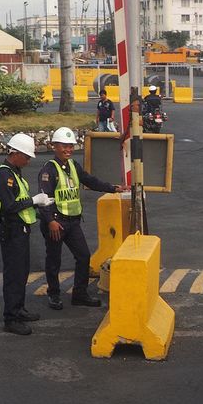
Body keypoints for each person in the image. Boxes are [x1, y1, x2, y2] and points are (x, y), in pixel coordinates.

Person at [37, 126, 126, 310]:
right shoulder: (49, 170)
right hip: (56, 222)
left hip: (72, 222)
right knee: (54, 260)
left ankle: (80, 293)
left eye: (70, 146)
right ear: (55, 146)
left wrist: (113, 187)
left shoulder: (73, 166)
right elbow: (44, 198)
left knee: (84, 256)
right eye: (64, 146)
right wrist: (50, 221)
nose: (68, 149)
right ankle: (54, 294)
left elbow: (89, 180)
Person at [0, 133, 54, 335]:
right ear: (15, 153)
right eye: (27, 156)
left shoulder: (15, 171)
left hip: (21, 230)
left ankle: (18, 310)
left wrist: (40, 204)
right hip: (12, 231)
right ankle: (10, 318)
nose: (28, 161)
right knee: (13, 275)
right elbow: (10, 206)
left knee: (22, 273)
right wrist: (35, 200)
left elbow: (20, 202)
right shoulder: (4, 174)